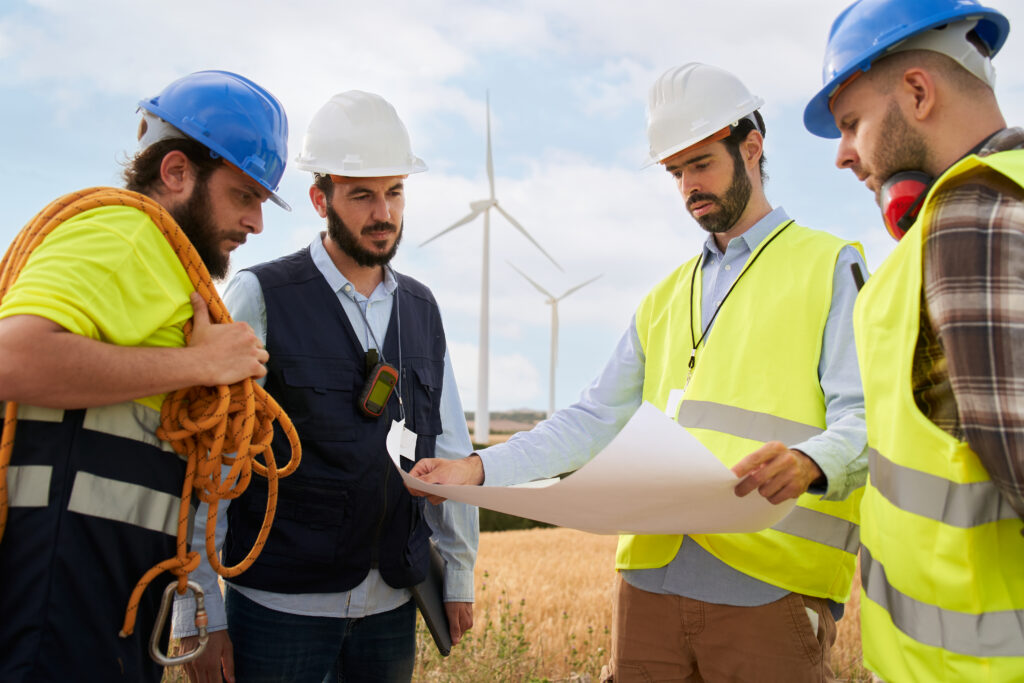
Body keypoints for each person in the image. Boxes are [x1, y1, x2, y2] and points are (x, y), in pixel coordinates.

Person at [411, 63, 868, 682]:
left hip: (771, 592)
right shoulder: (664, 296)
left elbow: (865, 416)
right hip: (648, 590)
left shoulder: (829, 264)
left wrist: (813, 462)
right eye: (675, 172)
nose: (687, 188)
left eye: (701, 163)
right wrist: (480, 468)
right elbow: (591, 419)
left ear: (752, 147)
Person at [172, 90, 478, 683]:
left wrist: (459, 574)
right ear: (320, 198)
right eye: (361, 195)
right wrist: (200, 610)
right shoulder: (260, 296)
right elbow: (212, 464)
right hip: (279, 607)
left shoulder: (422, 306)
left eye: (394, 192)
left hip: (392, 605)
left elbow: (450, 446)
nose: (382, 213)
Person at [0, 70, 289, 682]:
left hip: (103, 596)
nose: (257, 224)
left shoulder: (166, 267)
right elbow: (13, 359)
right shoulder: (124, 233)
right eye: (245, 195)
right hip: (55, 586)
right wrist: (203, 364)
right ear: (178, 172)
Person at [805, 0, 1024, 680]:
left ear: (918, 92)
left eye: (852, 124)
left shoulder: (970, 221)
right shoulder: (972, 213)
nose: (843, 154)